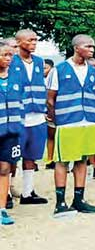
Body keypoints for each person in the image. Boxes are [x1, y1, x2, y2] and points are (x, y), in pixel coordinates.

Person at [46, 34, 95, 217]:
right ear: (77, 48)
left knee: (83, 160)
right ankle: (60, 202)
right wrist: (56, 120)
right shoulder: (60, 70)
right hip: (67, 122)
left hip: (88, 122)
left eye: (93, 47)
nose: (92, 50)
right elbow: (50, 98)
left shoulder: (93, 72)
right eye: (88, 46)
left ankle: (79, 199)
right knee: (62, 161)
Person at [10, 30, 50, 205]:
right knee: (11, 156)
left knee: (31, 156)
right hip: (18, 116)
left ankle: (28, 192)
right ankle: (8, 192)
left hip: (38, 115)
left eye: (36, 40)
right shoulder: (11, 60)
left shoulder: (40, 62)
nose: (34, 43)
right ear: (18, 42)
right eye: (30, 40)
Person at [0, 39, 24, 224]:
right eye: (4, 55)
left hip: (11, 131)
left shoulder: (16, 77)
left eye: (10, 55)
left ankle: (2, 209)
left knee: (5, 168)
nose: (8, 58)